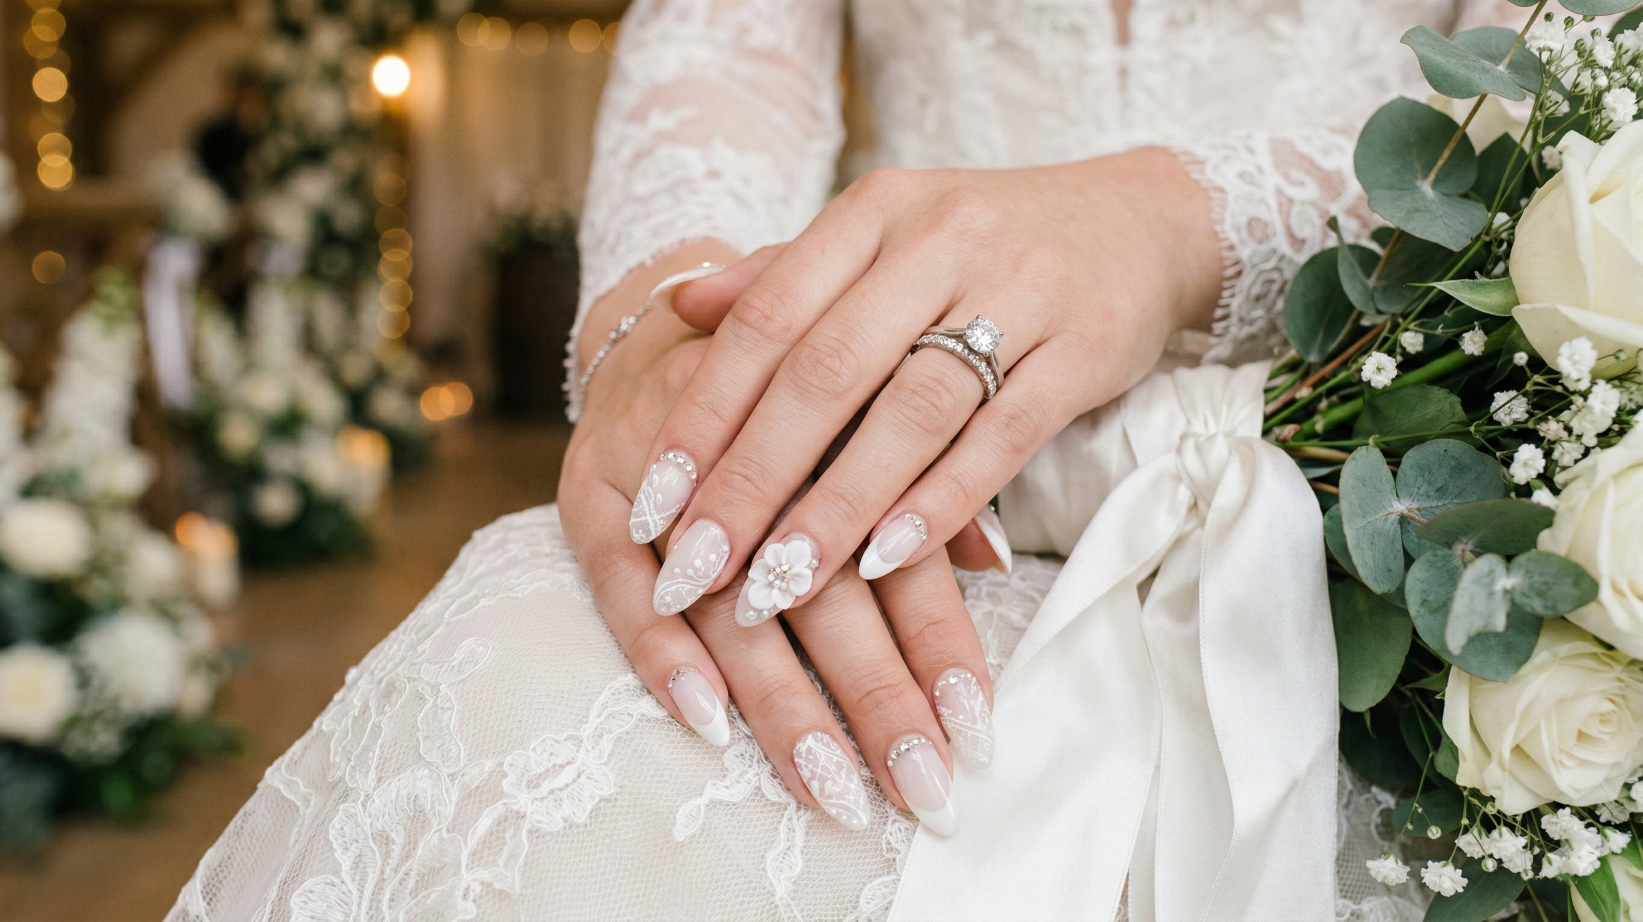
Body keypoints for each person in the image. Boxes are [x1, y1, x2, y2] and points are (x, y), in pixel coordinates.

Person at [171, 1, 1531, 919]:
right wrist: (681, 338)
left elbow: (1570, 85)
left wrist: (1178, 226)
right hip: (869, 472)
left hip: (1406, 498)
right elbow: (723, 51)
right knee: (513, 675)